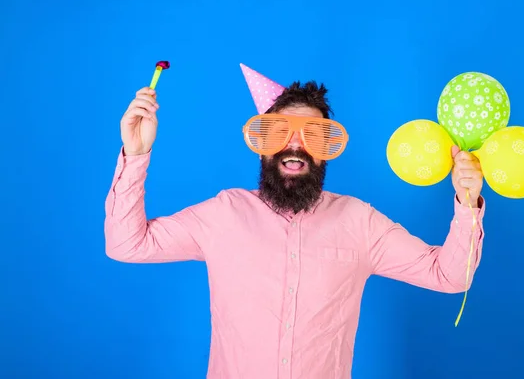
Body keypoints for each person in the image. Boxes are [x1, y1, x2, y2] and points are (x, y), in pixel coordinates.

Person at [104, 64, 486, 379]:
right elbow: (126, 244)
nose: (296, 145)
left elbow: (450, 275)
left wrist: (467, 203)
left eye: (315, 136)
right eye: (280, 132)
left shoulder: (360, 221)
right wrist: (136, 155)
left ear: (327, 152)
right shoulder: (223, 215)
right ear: (262, 144)